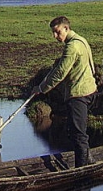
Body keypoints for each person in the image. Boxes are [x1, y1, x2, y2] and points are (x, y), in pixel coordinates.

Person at [32, 16, 97, 166]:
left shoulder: (72, 47)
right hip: (88, 91)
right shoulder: (81, 40)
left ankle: (82, 169)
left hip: (79, 94)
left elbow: (60, 72)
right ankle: (88, 160)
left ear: (66, 29)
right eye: (53, 33)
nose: (55, 36)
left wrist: (42, 88)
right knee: (77, 131)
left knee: (77, 134)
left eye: (57, 32)